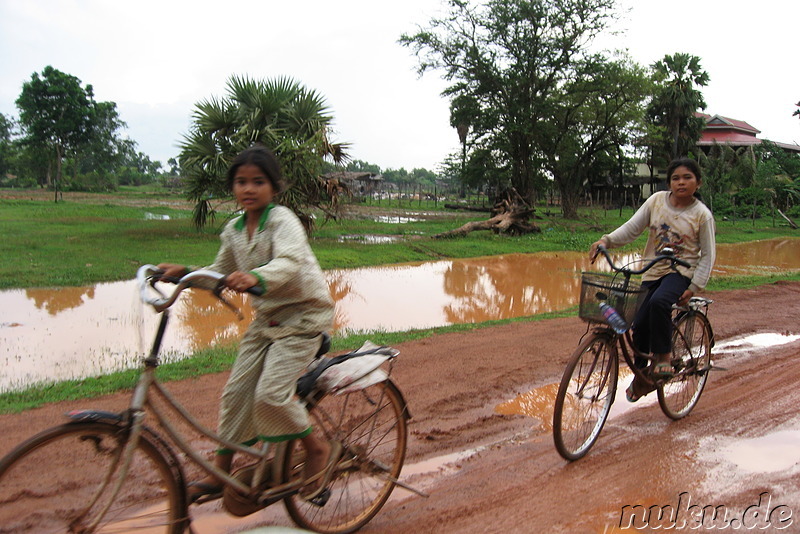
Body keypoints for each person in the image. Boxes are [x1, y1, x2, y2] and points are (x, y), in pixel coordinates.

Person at [158, 145, 338, 503]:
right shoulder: (234, 230)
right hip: (267, 320)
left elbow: (289, 262)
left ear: (273, 187)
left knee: (270, 394)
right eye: (241, 182)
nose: (249, 189)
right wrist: (186, 275)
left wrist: (255, 277)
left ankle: (317, 449)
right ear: (233, 188)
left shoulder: (282, 220)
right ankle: (220, 473)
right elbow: (219, 273)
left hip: (304, 317)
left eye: (258, 182)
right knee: (236, 393)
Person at [589, 157, 716, 402]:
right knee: (638, 321)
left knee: (659, 303)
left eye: (687, 177)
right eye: (676, 178)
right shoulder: (657, 201)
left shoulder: (702, 215)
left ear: (698, 183)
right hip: (652, 270)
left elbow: (709, 255)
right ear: (669, 182)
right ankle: (643, 373)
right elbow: (632, 227)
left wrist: (695, 286)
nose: (681, 182)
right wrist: (606, 240)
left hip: (681, 272)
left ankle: (664, 357)